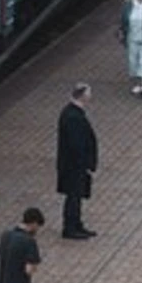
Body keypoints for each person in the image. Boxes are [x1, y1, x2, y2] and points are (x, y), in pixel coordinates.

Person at [55, 84, 98, 239]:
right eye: (89, 93)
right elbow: (76, 144)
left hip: (73, 164)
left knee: (76, 196)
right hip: (73, 165)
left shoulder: (73, 113)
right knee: (73, 196)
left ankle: (76, 223)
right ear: (83, 96)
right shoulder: (73, 117)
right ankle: (70, 227)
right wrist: (85, 162)